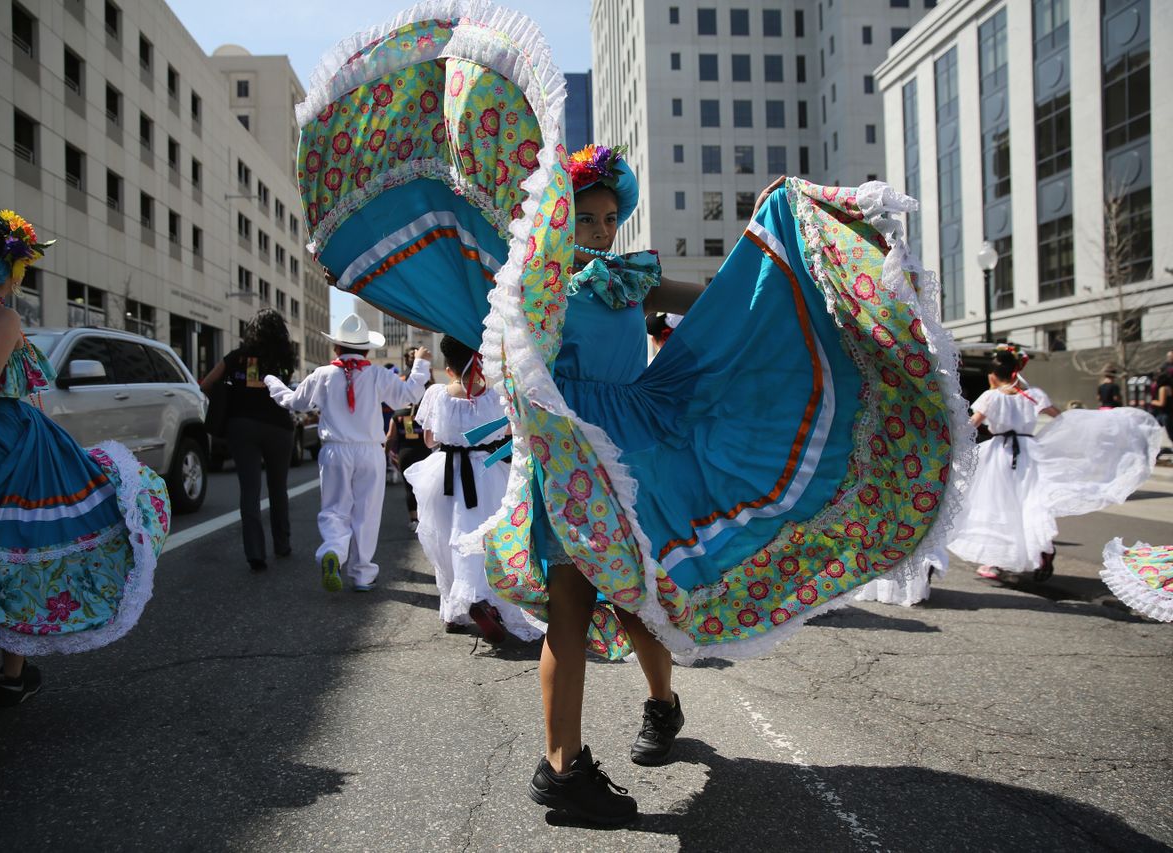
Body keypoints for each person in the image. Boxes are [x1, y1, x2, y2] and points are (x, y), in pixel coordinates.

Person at [295, 9, 971, 825]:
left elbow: (723, 296)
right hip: (565, 450)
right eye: (587, 216)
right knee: (571, 609)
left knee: (636, 597)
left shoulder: (626, 279)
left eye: (610, 217)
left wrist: (785, 246)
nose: (602, 229)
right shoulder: (526, 290)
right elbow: (459, 299)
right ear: (557, 216)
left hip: (636, 446)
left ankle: (661, 703)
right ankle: (563, 767)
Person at [0, 211, 169, 754]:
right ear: (9, 266)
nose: (23, 271)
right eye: (22, 261)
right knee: (22, 546)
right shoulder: (0, 321)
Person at [948, 345, 1161, 581]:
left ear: (992, 376)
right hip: (1030, 452)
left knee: (999, 506)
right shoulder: (1034, 395)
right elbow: (1062, 419)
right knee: (1030, 504)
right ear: (1015, 372)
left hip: (999, 453)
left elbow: (971, 426)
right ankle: (1042, 550)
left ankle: (999, 560)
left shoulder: (991, 396)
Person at [263, 313, 431, 592]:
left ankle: (334, 550)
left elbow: (294, 402)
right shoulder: (376, 374)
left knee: (335, 508)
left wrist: (272, 381)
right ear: (366, 349)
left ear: (336, 348)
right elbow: (409, 396)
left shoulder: (323, 374)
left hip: (335, 451)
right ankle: (363, 574)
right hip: (369, 451)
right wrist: (421, 364)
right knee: (367, 511)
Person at [403, 335, 541, 643]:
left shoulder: (437, 396)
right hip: (489, 471)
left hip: (445, 475)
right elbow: (510, 430)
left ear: (448, 367)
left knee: (446, 540)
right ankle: (486, 601)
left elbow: (429, 441)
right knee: (491, 539)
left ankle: (456, 609)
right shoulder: (495, 396)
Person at [200, 309, 295, 572]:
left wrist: (229, 397)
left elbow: (206, 384)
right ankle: (282, 544)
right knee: (278, 488)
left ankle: (255, 553)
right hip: (279, 427)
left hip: (242, 426)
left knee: (250, 491)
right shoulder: (286, 358)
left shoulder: (237, 357)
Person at [386, 361, 433, 531]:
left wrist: (385, 452)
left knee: (409, 487)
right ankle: (426, 517)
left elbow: (390, 437)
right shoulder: (426, 414)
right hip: (425, 452)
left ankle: (414, 519)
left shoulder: (399, 414)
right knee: (425, 487)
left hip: (405, 453)